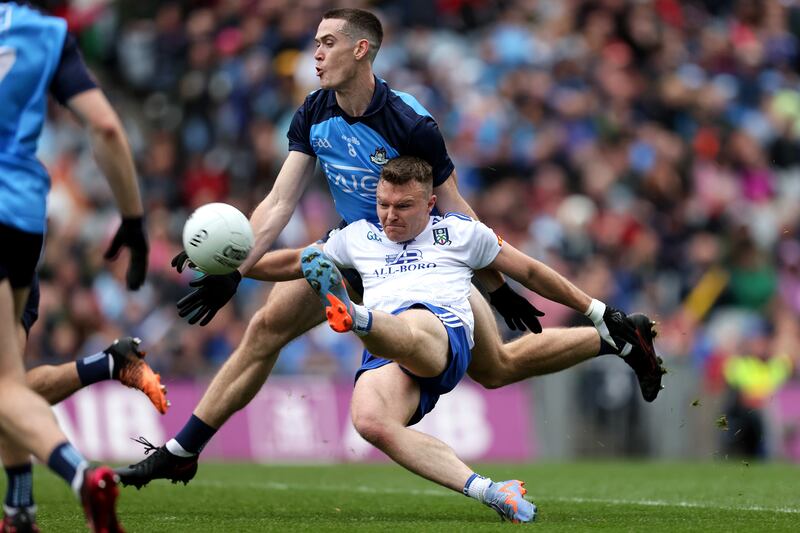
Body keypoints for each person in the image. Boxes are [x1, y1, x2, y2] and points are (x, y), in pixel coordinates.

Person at [116, 8, 663, 489]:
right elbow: (280, 201)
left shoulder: (410, 123)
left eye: (327, 43)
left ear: (361, 49)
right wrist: (237, 266)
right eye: (314, 44)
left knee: (497, 368)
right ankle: (181, 453)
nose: (316, 53)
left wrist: (495, 285)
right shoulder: (313, 111)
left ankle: (612, 338)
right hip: (356, 253)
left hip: (418, 262)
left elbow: (454, 211)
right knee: (263, 330)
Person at [291, 156, 654, 522]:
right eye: (383, 205)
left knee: (416, 327)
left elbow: (528, 269)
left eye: (403, 206)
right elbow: (295, 262)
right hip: (388, 348)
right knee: (371, 419)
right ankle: (493, 490)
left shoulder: (459, 231)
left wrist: (597, 309)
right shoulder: (357, 236)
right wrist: (239, 267)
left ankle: (356, 316)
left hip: (440, 325)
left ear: (429, 203)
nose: (390, 215)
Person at [0, 2, 152, 531]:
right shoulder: (45, 34)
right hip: (19, 216)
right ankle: (19, 509)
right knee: (7, 380)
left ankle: (80, 475)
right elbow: (107, 128)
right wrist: (133, 217)